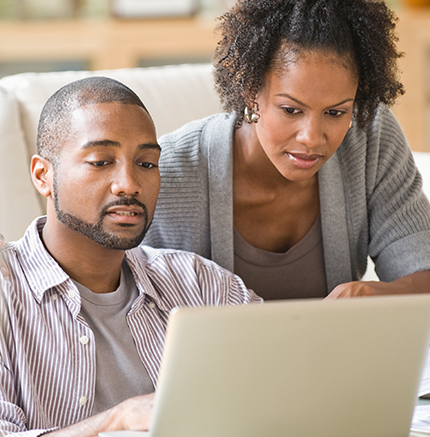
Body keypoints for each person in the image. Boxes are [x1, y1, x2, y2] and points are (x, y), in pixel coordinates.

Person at [0, 76, 260, 437]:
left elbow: (288, 389)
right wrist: (117, 421)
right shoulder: (5, 290)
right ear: (43, 176)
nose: (129, 183)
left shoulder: (201, 285)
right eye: (101, 161)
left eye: (147, 163)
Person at [143, 0, 430, 300]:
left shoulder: (369, 138)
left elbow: (427, 275)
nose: (311, 138)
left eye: (335, 113)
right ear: (250, 90)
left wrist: (384, 294)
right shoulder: (166, 174)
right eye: (291, 110)